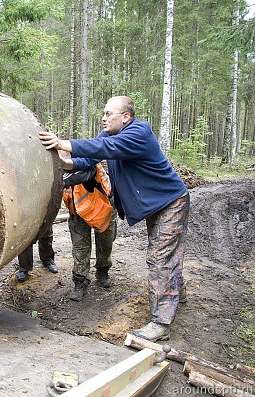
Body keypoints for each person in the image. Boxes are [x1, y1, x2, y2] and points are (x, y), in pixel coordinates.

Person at [39, 96, 189, 342]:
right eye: (104, 113)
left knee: (160, 258)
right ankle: (176, 290)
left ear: (126, 117)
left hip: (171, 201)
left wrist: (63, 142)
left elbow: (104, 149)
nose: (104, 117)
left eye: (109, 113)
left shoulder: (138, 132)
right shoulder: (111, 134)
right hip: (155, 204)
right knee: (166, 254)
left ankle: (161, 323)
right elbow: (90, 158)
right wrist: (66, 161)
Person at [61, 161, 117, 301]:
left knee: (105, 242)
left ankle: (102, 271)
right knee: (80, 246)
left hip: (102, 207)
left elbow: (90, 176)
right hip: (78, 210)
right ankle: (80, 281)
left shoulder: (91, 163)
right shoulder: (62, 166)